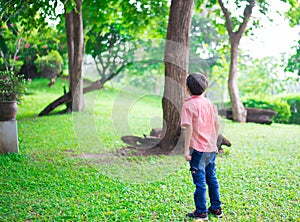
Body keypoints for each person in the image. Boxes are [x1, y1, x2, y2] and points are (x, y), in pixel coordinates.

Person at [181, 73, 222, 220]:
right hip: (211, 149)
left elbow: (188, 128)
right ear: (204, 88)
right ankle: (216, 209)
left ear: (187, 88)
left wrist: (186, 150)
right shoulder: (209, 104)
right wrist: (215, 143)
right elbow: (217, 125)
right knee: (212, 179)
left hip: (197, 150)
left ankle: (201, 211)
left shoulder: (188, 105)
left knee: (200, 182)